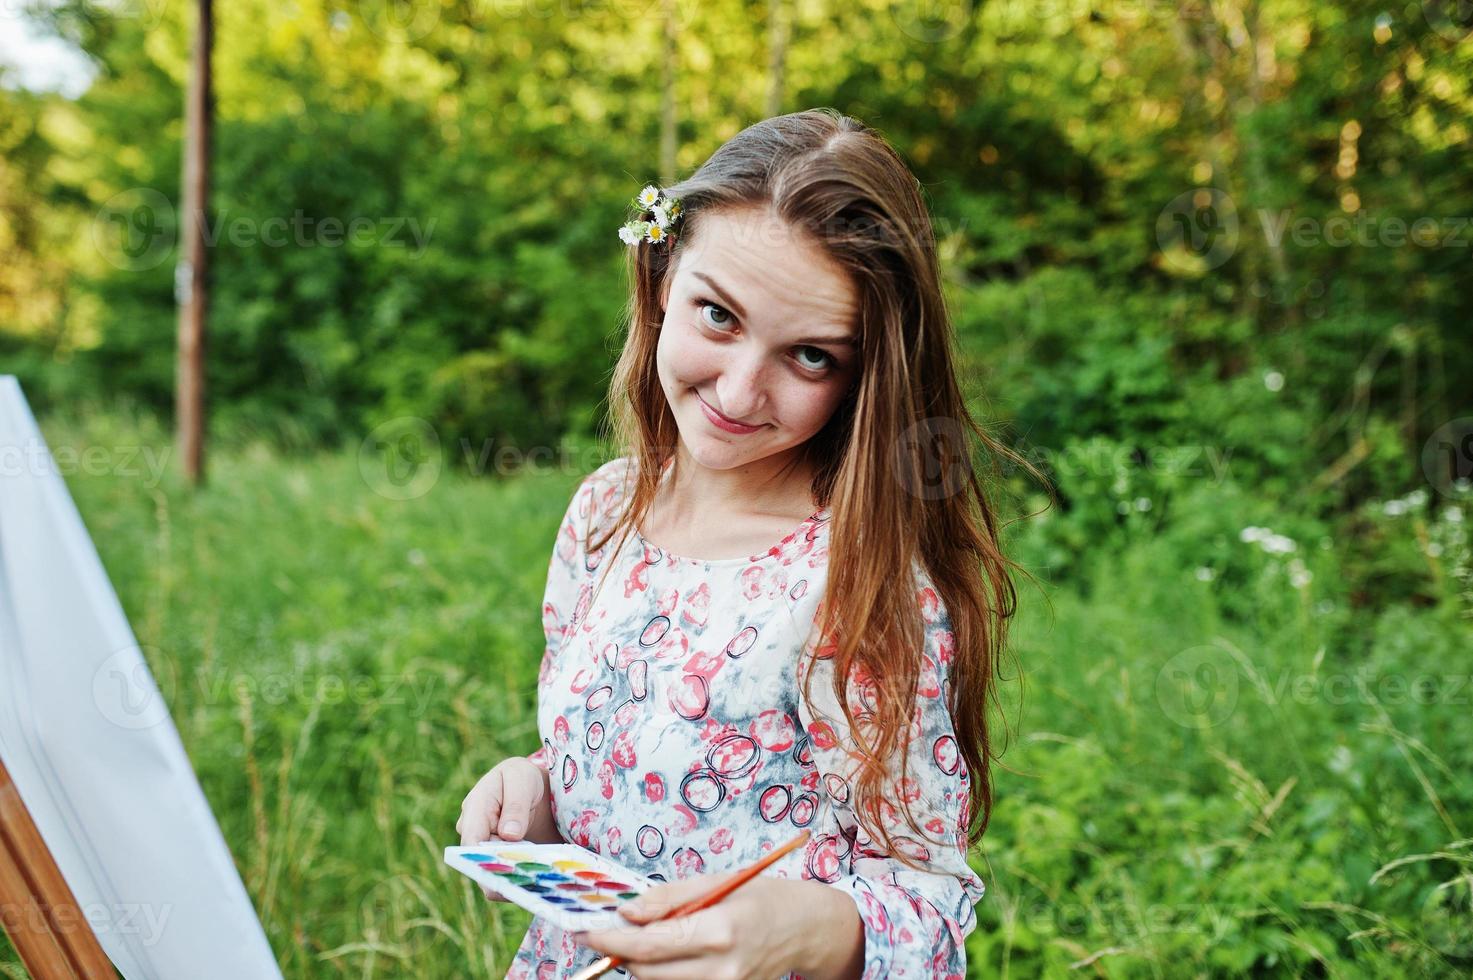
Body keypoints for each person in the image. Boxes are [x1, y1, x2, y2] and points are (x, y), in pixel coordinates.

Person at [457, 107, 1034, 979]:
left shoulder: (858, 578)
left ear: (860, 377)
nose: (738, 389)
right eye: (717, 316)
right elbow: (632, 767)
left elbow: (928, 904)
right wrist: (539, 793)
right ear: (660, 276)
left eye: (808, 357)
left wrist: (805, 932)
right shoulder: (605, 513)